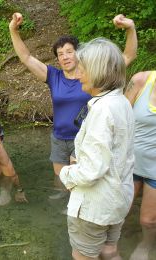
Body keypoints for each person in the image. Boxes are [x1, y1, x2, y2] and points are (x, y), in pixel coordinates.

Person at [9, 13, 137, 200]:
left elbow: (128, 56)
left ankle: (81, 207)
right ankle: (64, 209)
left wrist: (130, 28)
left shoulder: (94, 74)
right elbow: (26, 58)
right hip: (59, 138)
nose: (65, 57)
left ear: (78, 53)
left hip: (85, 138)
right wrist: (13, 30)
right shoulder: (53, 76)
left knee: (81, 182)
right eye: (60, 54)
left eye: (69, 51)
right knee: (61, 179)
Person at [58, 38, 135, 260]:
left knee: (83, 255)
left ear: (98, 72)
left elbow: (93, 170)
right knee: (110, 250)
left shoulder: (102, 110)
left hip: (95, 205)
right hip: (119, 198)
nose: (79, 74)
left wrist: (67, 174)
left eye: (83, 69)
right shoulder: (122, 103)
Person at [125, 71, 156, 260]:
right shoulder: (140, 81)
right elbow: (118, 117)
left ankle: (146, 244)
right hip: (130, 162)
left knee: (148, 220)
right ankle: (113, 240)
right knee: (120, 210)